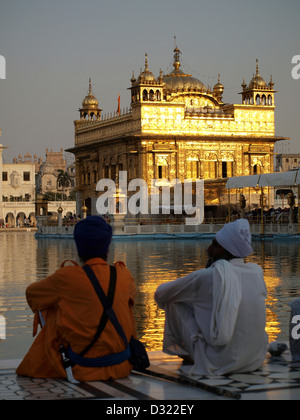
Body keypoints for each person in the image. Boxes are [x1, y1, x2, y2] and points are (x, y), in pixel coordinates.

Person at [17, 216, 137, 381]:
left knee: (51, 303)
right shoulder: (123, 274)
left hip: (84, 369)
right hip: (123, 366)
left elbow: (32, 294)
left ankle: (50, 359)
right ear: (107, 247)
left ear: (78, 247)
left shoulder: (67, 277)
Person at [155, 219, 268, 377]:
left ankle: (188, 353)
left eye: (214, 245)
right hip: (253, 360)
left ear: (226, 249)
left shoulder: (208, 276)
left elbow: (160, 294)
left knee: (174, 301)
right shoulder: (257, 273)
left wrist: (192, 300)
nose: (208, 249)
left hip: (215, 362)